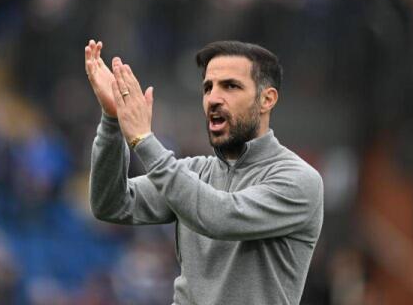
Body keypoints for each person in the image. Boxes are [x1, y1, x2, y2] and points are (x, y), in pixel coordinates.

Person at [85, 39, 323, 305]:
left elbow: (220, 217)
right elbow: (111, 204)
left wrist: (145, 140)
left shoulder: (299, 180)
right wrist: (112, 121)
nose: (214, 99)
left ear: (267, 99)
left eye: (230, 86)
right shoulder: (193, 172)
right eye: (208, 87)